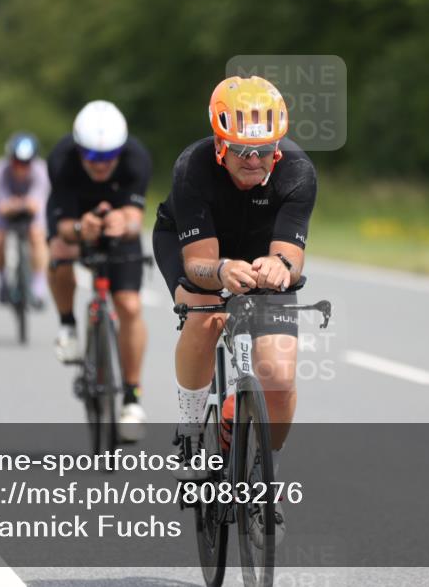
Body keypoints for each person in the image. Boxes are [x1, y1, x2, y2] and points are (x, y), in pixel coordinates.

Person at [152, 75, 318, 540]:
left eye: (264, 150)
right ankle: (189, 432)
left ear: (278, 148)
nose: (253, 160)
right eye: (241, 150)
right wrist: (223, 270)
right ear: (221, 146)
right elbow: (198, 263)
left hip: (260, 254)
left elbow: (291, 253)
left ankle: (266, 474)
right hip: (199, 249)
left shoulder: (298, 173)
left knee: (280, 378)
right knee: (207, 320)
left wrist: (281, 266)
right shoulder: (194, 167)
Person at [47, 100, 152, 439]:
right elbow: (62, 226)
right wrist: (80, 229)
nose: (101, 165)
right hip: (77, 218)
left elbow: (137, 220)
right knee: (59, 252)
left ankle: (132, 397)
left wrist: (124, 223)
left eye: (108, 158)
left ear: (121, 151)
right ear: (79, 150)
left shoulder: (137, 159)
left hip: (119, 224)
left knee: (129, 306)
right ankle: (68, 325)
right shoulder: (62, 160)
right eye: (92, 157)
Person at [0, 132, 50, 308]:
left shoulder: (41, 171)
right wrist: (15, 205)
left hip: (29, 211)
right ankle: (2, 280)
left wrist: (19, 204)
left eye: (26, 164)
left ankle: (38, 285)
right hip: (5, 212)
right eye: (17, 163)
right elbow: (2, 205)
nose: (21, 168)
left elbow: (36, 203)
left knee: (37, 235)